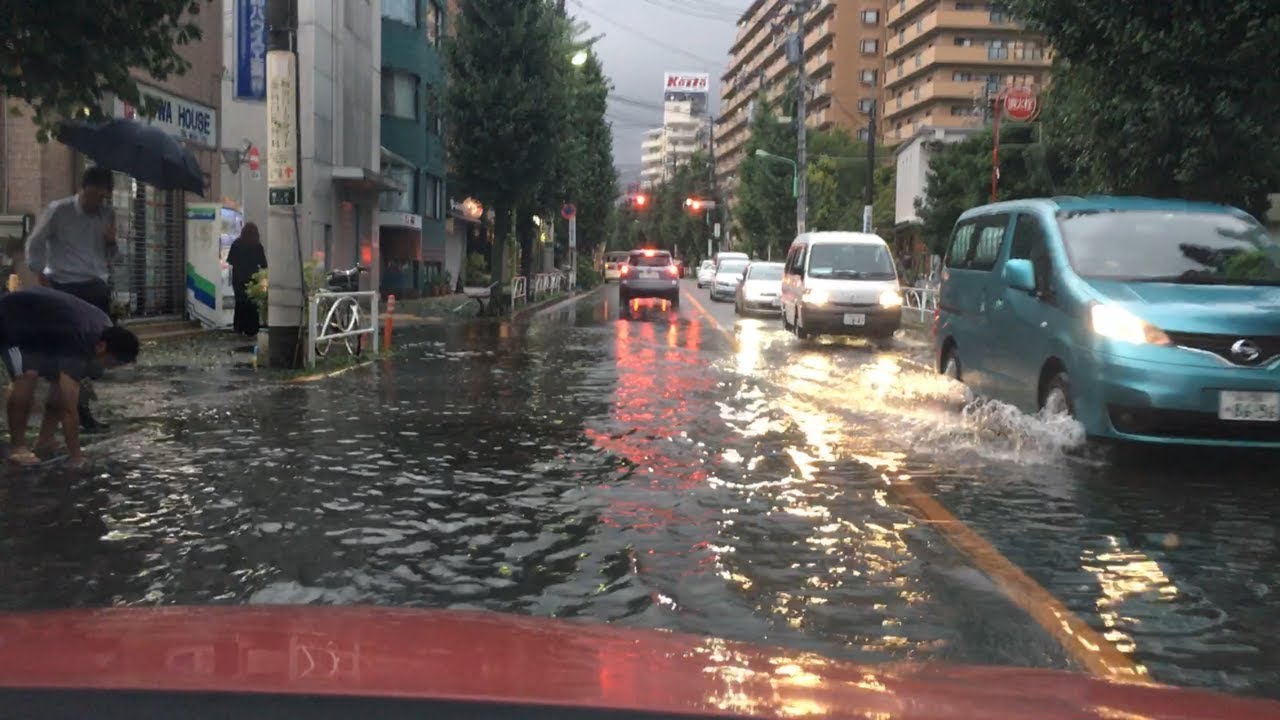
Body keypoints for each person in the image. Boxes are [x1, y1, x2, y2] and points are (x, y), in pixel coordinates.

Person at [0, 287, 139, 467]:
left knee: (58, 381)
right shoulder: (81, 340)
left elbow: (62, 389)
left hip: (43, 329)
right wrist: (76, 456)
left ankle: (45, 439)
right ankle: (18, 448)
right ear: (102, 347)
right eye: (112, 363)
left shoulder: (102, 331)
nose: (110, 368)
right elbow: (68, 408)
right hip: (11, 318)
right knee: (27, 376)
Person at [24, 166, 118, 432]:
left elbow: (113, 260)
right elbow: (35, 243)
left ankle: (79, 406)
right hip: (64, 287)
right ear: (82, 189)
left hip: (95, 287)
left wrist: (112, 242)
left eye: (101, 198)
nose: (95, 202)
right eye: (92, 196)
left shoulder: (107, 214)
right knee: (69, 355)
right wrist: (41, 276)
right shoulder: (59, 210)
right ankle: (69, 412)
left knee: (93, 355)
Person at [225, 222, 267, 336]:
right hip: (253, 280)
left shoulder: (237, 244)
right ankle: (252, 328)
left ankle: (239, 327)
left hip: (238, 279)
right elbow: (263, 264)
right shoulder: (257, 246)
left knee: (240, 304)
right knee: (252, 304)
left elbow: (231, 261)